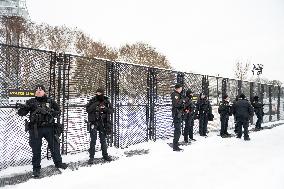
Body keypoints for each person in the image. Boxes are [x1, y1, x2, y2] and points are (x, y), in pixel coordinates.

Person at [17, 84, 67, 177]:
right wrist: (23, 108)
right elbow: (21, 113)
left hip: (49, 128)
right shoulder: (31, 101)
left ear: (44, 91)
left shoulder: (50, 101)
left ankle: (58, 163)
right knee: (36, 149)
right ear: (35, 92)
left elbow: (58, 111)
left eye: (41, 89)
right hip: (35, 129)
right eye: (37, 89)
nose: (39, 90)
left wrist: (51, 112)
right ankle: (36, 168)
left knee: (54, 146)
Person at [86, 88, 113, 164]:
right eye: (97, 93)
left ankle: (105, 155)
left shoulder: (106, 101)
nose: (98, 94)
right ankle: (91, 157)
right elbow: (88, 109)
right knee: (93, 141)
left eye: (100, 93)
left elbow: (111, 111)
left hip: (102, 123)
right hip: (94, 123)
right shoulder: (93, 100)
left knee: (103, 140)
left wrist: (105, 108)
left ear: (102, 93)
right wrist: (96, 104)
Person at [171, 83, 184, 151]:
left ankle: (176, 145)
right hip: (176, 114)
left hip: (178, 114)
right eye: (181, 88)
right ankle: (175, 146)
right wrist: (182, 101)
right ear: (178, 88)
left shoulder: (178, 95)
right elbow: (176, 104)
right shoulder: (175, 95)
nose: (181, 89)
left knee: (178, 130)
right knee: (177, 130)